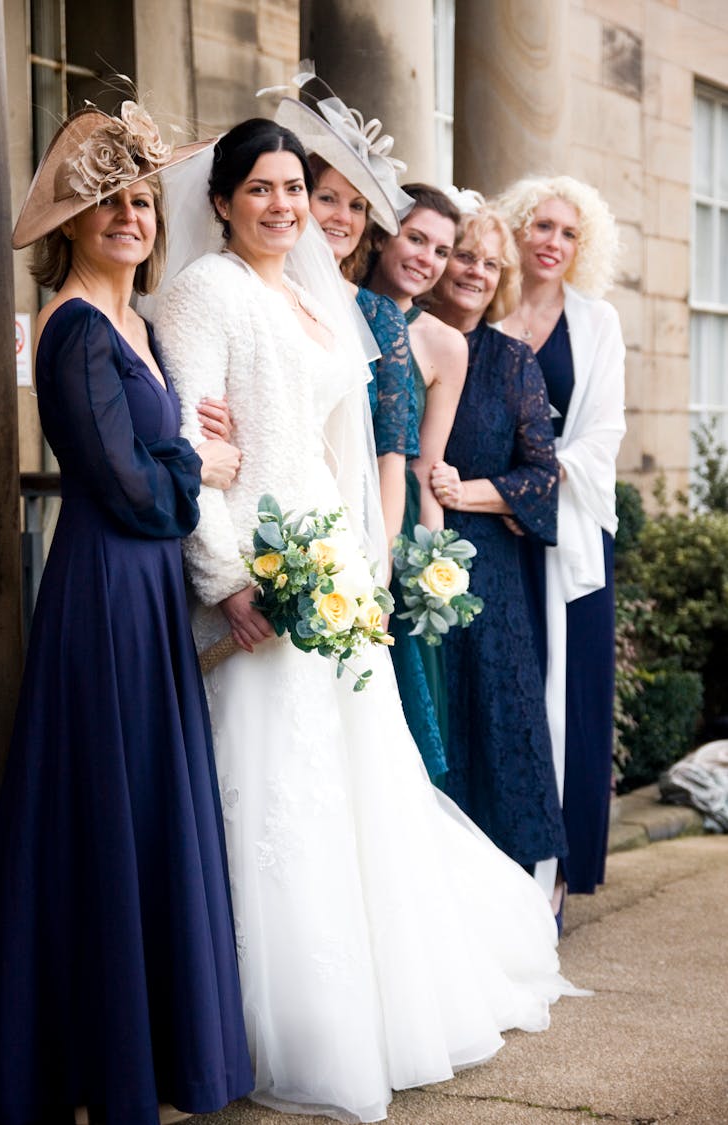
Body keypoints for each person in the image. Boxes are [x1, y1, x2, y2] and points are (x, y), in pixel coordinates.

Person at [154, 117, 582, 1125]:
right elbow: (190, 437)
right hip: (259, 572)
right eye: (260, 188)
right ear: (220, 201)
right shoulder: (201, 294)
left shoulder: (309, 300)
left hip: (330, 570)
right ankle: (267, 1024)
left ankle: (376, 993)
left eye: (293, 189)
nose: (283, 206)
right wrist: (225, 576)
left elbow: (348, 442)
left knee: (350, 787)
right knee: (268, 788)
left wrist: (363, 562)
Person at [0, 104, 253, 1125]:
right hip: (104, 589)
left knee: (145, 807)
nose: (130, 216)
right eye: (109, 203)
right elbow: (132, 486)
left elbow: (163, 444)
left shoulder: (137, 324)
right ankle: (95, 1065)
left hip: (144, 588)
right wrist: (200, 461)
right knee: (106, 811)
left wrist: (197, 435)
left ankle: (153, 1052)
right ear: (74, 227)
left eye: (142, 200)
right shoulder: (76, 328)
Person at [425, 198, 567, 878]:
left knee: (497, 721)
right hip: (412, 555)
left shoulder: (513, 363)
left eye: (489, 262)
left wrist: (465, 494)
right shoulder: (402, 337)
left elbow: (541, 476)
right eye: (462, 255)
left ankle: (510, 889)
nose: (474, 271)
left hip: (492, 578)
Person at [496, 175, 626, 911]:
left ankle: (561, 866)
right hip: (492, 527)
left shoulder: (597, 321)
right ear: (516, 228)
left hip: (569, 527)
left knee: (570, 691)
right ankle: (509, 855)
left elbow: (605, 430)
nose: (552, 242)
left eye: (568, 233)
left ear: (583, 247)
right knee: (514, 687)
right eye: (541, 225)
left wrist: (536, 486)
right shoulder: (491, 308)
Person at [275, 86, 419, 561]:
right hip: (271, 522)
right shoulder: (260, 294)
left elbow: (390, 458)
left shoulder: (381, 319)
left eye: (357, 206)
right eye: (329, 198)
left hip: (352, 529)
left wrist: (380, 566)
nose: (343, 217)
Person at [361, 184, 468, 774]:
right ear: (383, 235)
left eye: (442, 250)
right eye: (416, 238)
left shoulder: (446, 345)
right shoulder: (332, 308)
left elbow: (429, 463)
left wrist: (429, 564)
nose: (427, 258)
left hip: (400, 523)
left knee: (405, 693)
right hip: (333, 505)